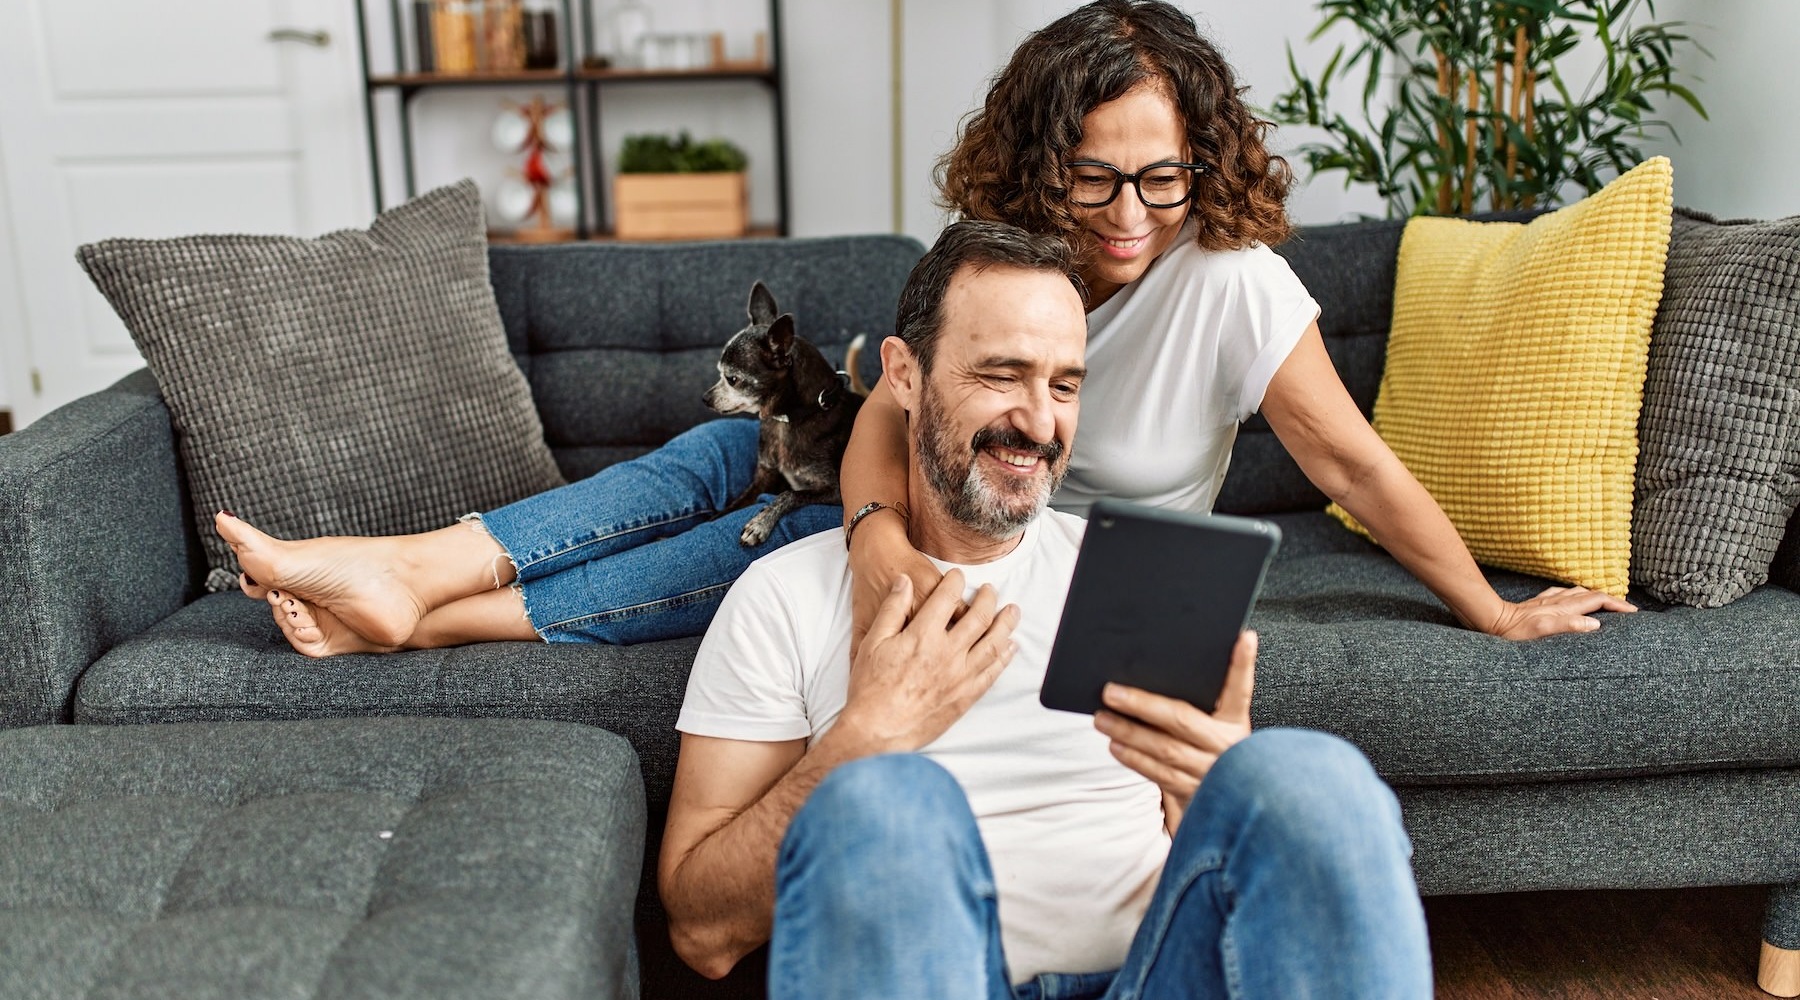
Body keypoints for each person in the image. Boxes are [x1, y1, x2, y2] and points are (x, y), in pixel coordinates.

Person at [216, 0, 1630, 656]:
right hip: (936, 512)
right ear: (1042, 160)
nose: (1130, 210)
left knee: (779, 537)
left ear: (1202, 161)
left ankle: (419, 617)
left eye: (1162, 173)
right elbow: (893, 424)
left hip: (1059, 572)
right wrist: (879, 531)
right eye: (1094, 175)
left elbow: (1357, 471)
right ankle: (409, 576)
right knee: (732, 459)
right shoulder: (996, 264)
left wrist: (1495, 611)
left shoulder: (1235, 281)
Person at [660, 218, 1433, 999]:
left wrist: (1213, 789)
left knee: (1312, 780)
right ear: (903, 374)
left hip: (1153, 976)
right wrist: (862, 742)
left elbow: (1211, 858)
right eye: (1001, 375)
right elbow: (700, 932)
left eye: (1065, 385)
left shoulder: (1138, 574)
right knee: (885, 804)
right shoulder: (782, 597)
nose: (1040, 423)